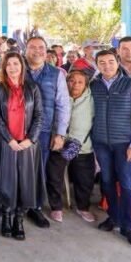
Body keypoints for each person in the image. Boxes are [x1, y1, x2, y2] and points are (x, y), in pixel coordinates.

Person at [89, 49, 131, 247]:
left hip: (125, 143)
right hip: (101, 143)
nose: (107, 66)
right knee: (106, 182)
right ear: (97, 64)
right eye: (102, 62)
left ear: (117, 62)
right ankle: (113, 217)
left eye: (110, 61)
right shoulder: (94, 85)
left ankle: (128, 225)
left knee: (127, 184)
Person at [0, 53, 45, 241]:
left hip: (28, 144)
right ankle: (6, 216)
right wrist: (9, 140)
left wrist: (31, 139)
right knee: (7, 181)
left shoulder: (33, 88)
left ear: (22, 66)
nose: (13, 68)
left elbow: (39, 116)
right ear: (3, 67)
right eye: (9, 64)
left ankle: (19, 218)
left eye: (16, 64)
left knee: (25, 182)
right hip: (7, 143)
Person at [23, 36, 69, 229]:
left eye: (41, 47)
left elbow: (63, 105)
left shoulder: (56, 74)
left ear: (46, 51)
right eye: (32, 47)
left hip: (43, 130)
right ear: (26, 50)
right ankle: (15, 204)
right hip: (17, 130)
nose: (37, 51)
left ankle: (35, 207)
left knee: (38, 169)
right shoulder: (17, 69)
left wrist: (60, 133)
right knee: (14, 167)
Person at [46, 68, 97, 223]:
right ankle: (56, 207)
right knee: (54, 176)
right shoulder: (59, 96)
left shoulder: (92, 99)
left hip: (83, 145)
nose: (75, 85)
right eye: (71, 81)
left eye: (80, 82)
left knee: (85, 179)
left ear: (86, 85)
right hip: (59, 143)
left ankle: (83, 207)